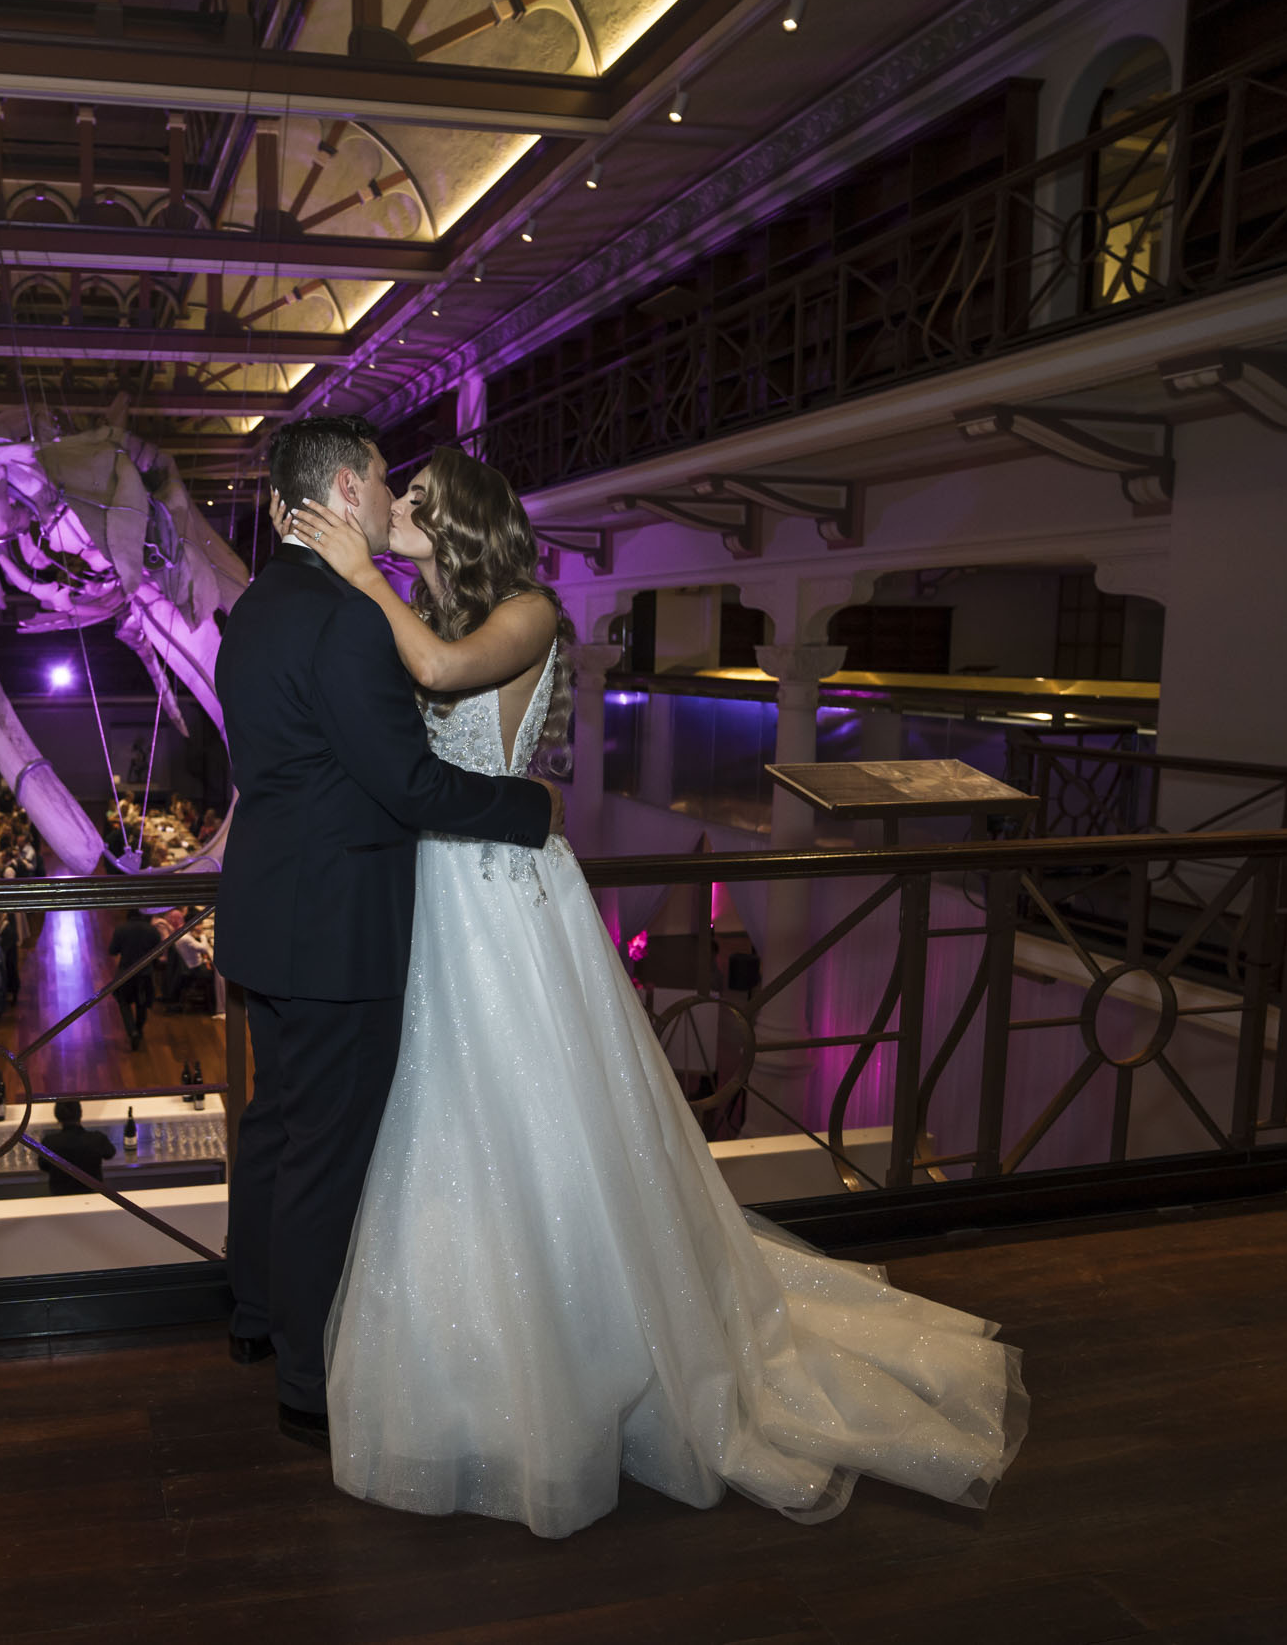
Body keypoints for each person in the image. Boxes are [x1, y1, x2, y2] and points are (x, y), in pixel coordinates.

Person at [273, 448, 1029, 1539]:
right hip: (438, 891)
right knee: (447, 1125)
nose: (396, 520)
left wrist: (357, 575)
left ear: (464, 523)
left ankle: (585, 1362)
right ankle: (471, 1362)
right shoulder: (420, 604)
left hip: (503, 901)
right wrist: (363, 556)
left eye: (417, 511)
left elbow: (439, 674)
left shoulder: (528, 614)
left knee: (533, 1119)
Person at [214, 415, 561, 1456]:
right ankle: (310, 1385)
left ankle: (252, 1316)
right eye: (380, 480)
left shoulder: (254, 607)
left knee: (276, 1128)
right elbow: (405, 783)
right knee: (325, 1152)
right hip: (339, 930)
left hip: (267, 917)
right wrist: (529, 811)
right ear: (344, 491)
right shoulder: (350, 617)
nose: (390, 498)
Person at [106, 906, 162, 1050]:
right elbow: (159, 953)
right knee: (142, 1004)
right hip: (146, 974)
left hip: (126, 973)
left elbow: (113, 951)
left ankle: (132, 1031)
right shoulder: (152, 930)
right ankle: (139, 1029)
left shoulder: (121, 929)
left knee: (123, 1002)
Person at [38, 1098, 115, 1196]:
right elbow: (110, 1153)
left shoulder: (49, 1142)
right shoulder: (97, 1138)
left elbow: (43, 1166)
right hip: (92, 1195)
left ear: (57, 1116)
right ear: (80, 1113)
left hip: (60, 1196)